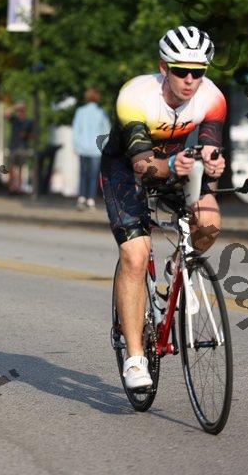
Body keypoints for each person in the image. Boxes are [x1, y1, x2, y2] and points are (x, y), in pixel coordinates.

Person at [101, 26, 226, 389]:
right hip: (127, 169)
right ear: (163, 68)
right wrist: (171, 165)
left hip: (177, 163)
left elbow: (209, 148)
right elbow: (142, 164)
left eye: (198, 73)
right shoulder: (135, 96)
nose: (190, 80)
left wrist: (214, 163)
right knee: (136, 256)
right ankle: (135, 358)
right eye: (181, 71)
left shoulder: (213, 98)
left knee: (209, 222)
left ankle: (175, 268)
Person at [72, 88, 111, 210]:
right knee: (94, 175)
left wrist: (76, 145)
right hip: (96, 149)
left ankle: (81, 197)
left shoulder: (80, 112)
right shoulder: (101, 112)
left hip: (83, 147)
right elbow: (106, 131)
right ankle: (90, 200)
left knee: (83, 173)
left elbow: (76, 130)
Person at [5, 101, 33, 193]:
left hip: (23, 147)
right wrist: (14, 107)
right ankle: (11, 186)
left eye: (22, 110)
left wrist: (26, 135)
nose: (20, 112)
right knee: (11, 167)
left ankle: (19, 187)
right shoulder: (15, 120)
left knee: (21, 168)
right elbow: (6, 114)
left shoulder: (28, 122)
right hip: (13, 146)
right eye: (19, 110)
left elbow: (33, 135)